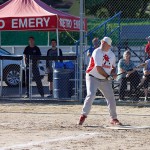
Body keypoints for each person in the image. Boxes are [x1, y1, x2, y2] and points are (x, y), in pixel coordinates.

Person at [78, 37, 122, 126]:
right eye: (102, 42)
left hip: (104, 79)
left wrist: (113, 73)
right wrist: (108, 76)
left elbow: (113, 68)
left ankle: (114, 118)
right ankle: (83, 115)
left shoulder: (112, 55)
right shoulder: (97, 51)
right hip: (92, 77)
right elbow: (98, 68)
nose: (102, 43)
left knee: (111, 98)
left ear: (109, 46)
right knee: (91, 95)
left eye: (104, 43)